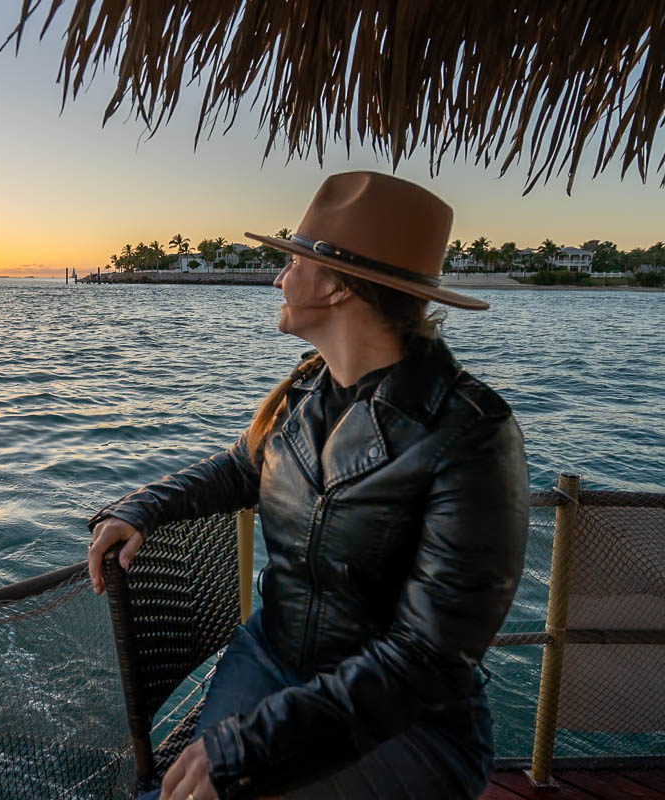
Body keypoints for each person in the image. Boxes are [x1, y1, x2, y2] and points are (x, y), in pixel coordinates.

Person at [86, 172, 529, 800]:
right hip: (272, 655)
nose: (278, 278)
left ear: (339, 285)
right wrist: (143, 508)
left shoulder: (470, 432)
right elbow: (240, 468)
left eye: (293, 262)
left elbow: (428, 659)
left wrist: (250, 747)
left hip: (407, 719)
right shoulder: (302, 394)